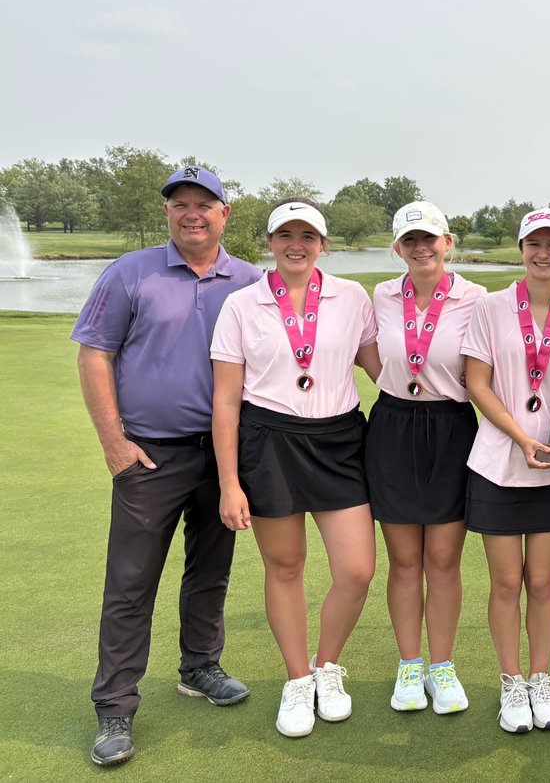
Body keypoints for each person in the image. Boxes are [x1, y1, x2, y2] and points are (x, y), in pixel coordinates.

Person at [73, 165, 261, 767]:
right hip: (149, 452)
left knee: (211, 569)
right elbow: (95, 354)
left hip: (226, 455)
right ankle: (114, 707)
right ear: (169, 213)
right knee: (130, 582)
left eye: (205, 204)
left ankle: (200, 665)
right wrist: (114, 444)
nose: (193, 214)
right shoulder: (131, 271)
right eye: (181, 204)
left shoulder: (252, 281)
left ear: (225, 214)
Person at [210, 200, 381, 739]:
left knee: (356, 571)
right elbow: (225, 401)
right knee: (284, 567)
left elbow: (382, 368)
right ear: (269, 240)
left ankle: (326, 667)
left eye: (308, 234)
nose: (297, 243)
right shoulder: (242, 304)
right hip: (270, 442)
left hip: (339, 440)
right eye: (286, 233)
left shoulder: (352, 298)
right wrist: (229, 483)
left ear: (322, 243)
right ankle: (297, 679)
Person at [461, 208, 550, 734]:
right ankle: (512, 682)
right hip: (497, 460)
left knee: (542, 580)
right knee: (506, 581)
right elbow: (477, 383)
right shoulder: (490, 307)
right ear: (521, 249)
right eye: (534, 244)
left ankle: (540, 677)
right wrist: (521, 437)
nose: (544, 253)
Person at [365, 201, 485, 715]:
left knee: (443, 560)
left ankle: (442, 665)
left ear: (448, 242)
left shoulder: (477, 298)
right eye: (410, 240)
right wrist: (397, 384)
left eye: (429, 238)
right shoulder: (382, 295)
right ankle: (409, 666)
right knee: (405, 560)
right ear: (398, 247)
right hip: (393, 426)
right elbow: (370, 354)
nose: (421, 248)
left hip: (452, 427)